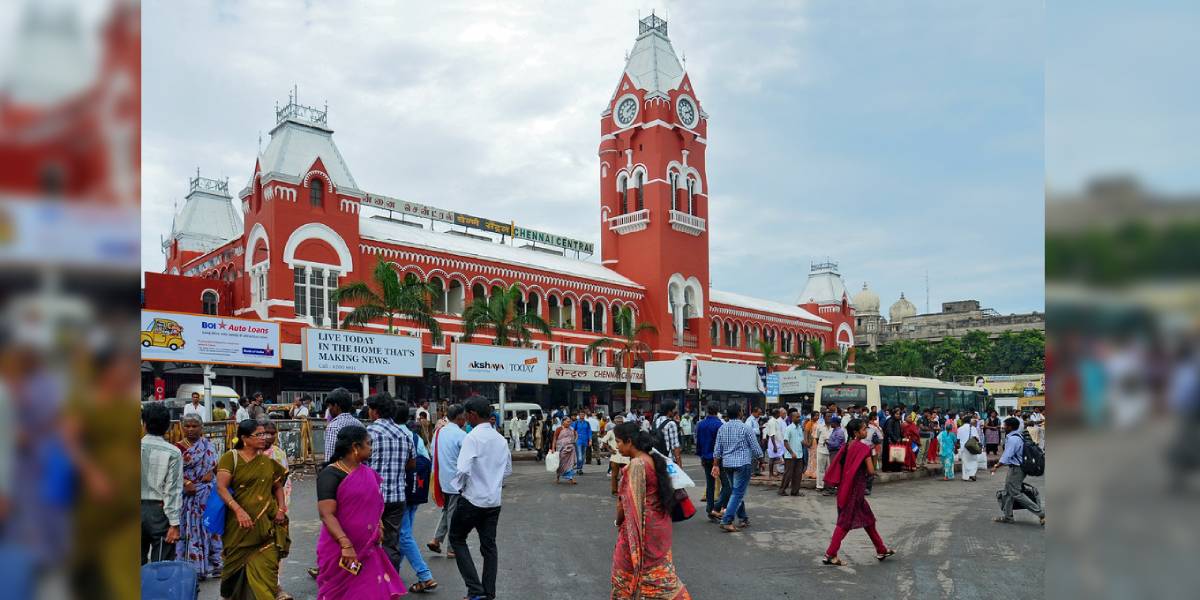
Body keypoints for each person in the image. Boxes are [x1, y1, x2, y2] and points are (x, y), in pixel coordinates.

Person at [315, 425, 407, 599]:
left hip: (368, 549)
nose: (371, 448)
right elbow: (326, 514)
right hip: (340, 549)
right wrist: (346, 545)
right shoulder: (330, 474)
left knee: (371, 591)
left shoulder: (368, 473)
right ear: (355, 447)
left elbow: (374, 503)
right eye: (368, 444)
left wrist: (378, 524)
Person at [610, 422, 691, 599]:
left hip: (644, 528)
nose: (617, 446)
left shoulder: (637, 465)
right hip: (659, 524)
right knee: (659, 574)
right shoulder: (653, 458)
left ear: (629, 441)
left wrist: (618, 521)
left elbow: (624, 503)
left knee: (624, 573)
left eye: (618, 441)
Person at [365, 395, 436, 593]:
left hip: (373, 497)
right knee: (392, 543)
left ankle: (371, 583)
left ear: (376, 411)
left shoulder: (368, 432)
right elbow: (412, 464)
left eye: (370, 409)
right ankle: (389, 584)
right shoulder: (404, 434)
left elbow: (358, 461)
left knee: (368, 540)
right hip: (398, 497)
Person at [215, 419, 288, 599]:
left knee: (267, 571)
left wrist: (281, 509)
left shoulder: (267, 462)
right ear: (245, 438)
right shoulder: (230, 458)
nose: (265, 438)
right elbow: (221, 488)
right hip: (238, 527)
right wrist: (238, 510)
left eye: (266, 434)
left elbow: (277, 486)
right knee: (234, 572)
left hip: (266, 526)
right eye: (259, 434)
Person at [449, 396, 512, 600]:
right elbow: (507, 471)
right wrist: (493, 483)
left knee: (457, 538)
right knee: (489, 547)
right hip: (493, 501)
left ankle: (475, 590)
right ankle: (488, 592)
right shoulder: (500, 439)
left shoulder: (472, 437)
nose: (466, 419)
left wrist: (459, 489)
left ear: (472, 415)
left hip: (472, 499)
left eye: (467, 415)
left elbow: (462, 469)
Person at [820, 418, 894, 566]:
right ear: (856, 432)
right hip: (856, 491)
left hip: (845, 488)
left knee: (868, 521)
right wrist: (873, 456)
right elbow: (871, 471)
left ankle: (881, 549)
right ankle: (830, 554)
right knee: (844, 523)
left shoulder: (846, 446)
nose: (866, 431)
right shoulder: (864, 448)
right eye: (863, 429)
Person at [173, 414, 222, 578]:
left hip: (207, 495)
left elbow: (216, 467)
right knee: (189, 530)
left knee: (210, 528)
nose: (191, 429)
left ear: (201, 428)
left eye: (195, 426)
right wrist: (186, 483)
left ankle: (215, 564)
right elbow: (172, 474)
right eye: (187, 426)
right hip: (188, 497)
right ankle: (191, 568)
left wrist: (211, 474)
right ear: (182, 427)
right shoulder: (177, 448)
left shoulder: (209, 445)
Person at [710, 403, 762, 532]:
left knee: (736, 492)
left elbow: (717, 449)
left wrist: (716, 464)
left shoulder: (723, 428)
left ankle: (743, 517)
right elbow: (755, 447)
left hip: (727, 464)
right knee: (738, 493)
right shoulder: (746, 428)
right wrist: (761, 460)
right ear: (740, 413)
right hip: (742, 464)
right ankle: (727, 520)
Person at [141, 402, 182, 563]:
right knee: (161, 565)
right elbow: (172, 490)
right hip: (159, 510)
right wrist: (174, 524)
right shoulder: (173, 452)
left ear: (144, 424)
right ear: (168, 427)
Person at [259, 419, 294, 600]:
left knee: (274, 549)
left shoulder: (279, 454)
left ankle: (275, 585)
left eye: (272, 433)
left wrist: (280, 509)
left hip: (273, 510)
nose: (268, 437)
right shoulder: (245, 454)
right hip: (250, 512)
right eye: (264, 433)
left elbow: (283, 485)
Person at [429, 403, 468, 558]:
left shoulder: (439, 432)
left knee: (448, 510)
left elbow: (433, 452)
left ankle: (436, 539)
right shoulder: (461, 435)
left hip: (442, 479)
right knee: (454, 514)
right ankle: (452, 548)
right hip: (456, 481)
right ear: (459, 418)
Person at [991, 417, 1045, 525]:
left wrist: (997, 466)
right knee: (1008, 492)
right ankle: (1008, 517)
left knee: (1015, 492)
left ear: (1010, 427)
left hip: (1016, 469)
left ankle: (1041, 513)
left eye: (1005, 425)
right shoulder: (1018, 435)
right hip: (1018, 467)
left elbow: (1007, 455)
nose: (1003, 427)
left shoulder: (1013, 439)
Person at [694, 402, 723, 512]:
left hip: (705, 456)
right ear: (717, 411)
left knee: (710, 484)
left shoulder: (700, 424)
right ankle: (718, 507)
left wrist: (701, 456)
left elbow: (698, 442)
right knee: (725, 484)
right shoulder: (719, 425)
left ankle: (710, 508)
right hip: (717, 458)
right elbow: (720, 444)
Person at [323, 388, 358, 462]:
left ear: (336, 406)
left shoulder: (333, 427)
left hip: (340, 471)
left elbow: (330, 459)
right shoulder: (359, 424)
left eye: (329, 406)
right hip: (358, 471)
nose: (329, 409)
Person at [780, 408, 806, 496]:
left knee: (798, 475)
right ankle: (782, 490)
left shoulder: (799, 428)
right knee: (788, 474)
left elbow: (801, 440)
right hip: (790, 456)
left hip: (799, 455)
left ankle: (795, 491)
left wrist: (807, 443)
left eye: (799, 417)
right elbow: (785, 442)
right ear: (792, 418)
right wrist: (791, 453)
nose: (799, 419)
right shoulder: (789, 428)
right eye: (797, 417)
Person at [654, 401, 683, 467]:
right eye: (674, 409)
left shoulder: (655, 422)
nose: (675, 411)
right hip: (668, 461)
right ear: (669, 411)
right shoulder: (671, 424)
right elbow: (675, 447)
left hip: (656, 460)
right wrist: (679, 465)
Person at [814, 415, 838, 494]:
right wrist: (821, 445)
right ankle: (820, 486)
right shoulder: (819, 426)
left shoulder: (834, 428)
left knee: (830, 469)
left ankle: (829, 485)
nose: (829, 418)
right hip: (821, 450)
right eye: (827, 417)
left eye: (830, 417)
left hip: (831, 451)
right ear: (824, 418)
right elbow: (817, 438)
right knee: (820, 469)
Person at [957, 413, 984, 482]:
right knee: (973, 461)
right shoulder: (973, 428)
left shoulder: (960, 428)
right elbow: (977, 438)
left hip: (964, 447)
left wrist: (956, 447)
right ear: (969, 421)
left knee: (965, 461)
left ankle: (965, 476)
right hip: (972, 446)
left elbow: (958, 439)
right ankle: (972, 474)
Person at [762, 408, 785, 482]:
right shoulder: (772, 422)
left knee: (777, 457)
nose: (780, 415)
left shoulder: (775, 421)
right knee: (772, 458)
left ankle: (775, 472)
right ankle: (771, 474)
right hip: (773, 442)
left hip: (778, 441)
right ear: (777, 414)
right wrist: (774, 446)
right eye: (779, 413)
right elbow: (772, 435)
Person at [554, 415, 578, 484]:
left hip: (571, 449)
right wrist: (553, 448)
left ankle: (571, 478)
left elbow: (576, 435)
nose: (569, 423)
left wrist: (574, 441)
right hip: (561, 449)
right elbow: (555, 439)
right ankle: (558, 477)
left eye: (569, 422)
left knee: (570, 464)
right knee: (560, 464)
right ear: (563, 422)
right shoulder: (559, 429)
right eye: (567, 422)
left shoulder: (572, 429)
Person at [883, 407, 904, 472]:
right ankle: (888, 469)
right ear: (893, 414)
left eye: (899, 414)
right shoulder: (890, 420)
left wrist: (901, 437)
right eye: (896, 414)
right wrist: (895, 439)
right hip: (890, 440)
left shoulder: (897, 421)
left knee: (897, 454)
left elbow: (899, 431)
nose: (898, 415)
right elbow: (889, 431)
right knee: (889, 455)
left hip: (896, 440)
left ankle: (896, 468)